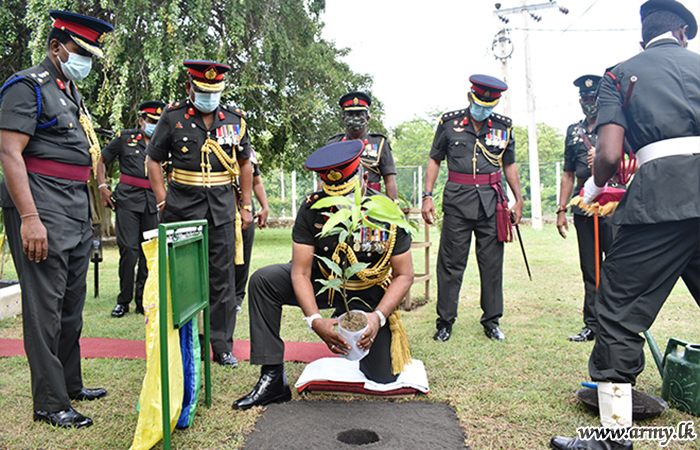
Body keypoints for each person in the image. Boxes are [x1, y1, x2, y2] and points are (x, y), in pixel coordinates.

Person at [551, 1, 700, 449]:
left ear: (643, 39)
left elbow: (611, 156)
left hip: (661, 199)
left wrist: (595, 189)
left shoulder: (620, 74)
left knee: (616, 313)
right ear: (683, 36)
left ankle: (613, 439)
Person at [232, 140, 414, 410]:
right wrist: (314, 320)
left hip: (366, 290)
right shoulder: (312, 208)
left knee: (383, 376)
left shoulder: (386, 211)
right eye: (332, 193)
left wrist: (378, 317)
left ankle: (362, 340)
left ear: (364, 178)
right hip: (324, 283)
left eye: (346, 192)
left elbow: (404, 274)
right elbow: (301, 271)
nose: (339, 201)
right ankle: (272, 378)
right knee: (263, 281)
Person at [0, 10, 113, 428]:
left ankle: (69, 383)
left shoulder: (68, 92)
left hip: (73, 206)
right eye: (80, 51)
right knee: (45, 306)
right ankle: (49, 402)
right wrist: (30, 217)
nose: (85, 60)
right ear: (56, 47)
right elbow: (10, 153)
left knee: (71, 305)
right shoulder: (27, 86)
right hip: (41, 206)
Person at [146, 60, 253, 367]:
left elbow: (245, 163)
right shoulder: (173, 115)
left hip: (221, 208)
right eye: (203, 90)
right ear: (189, 87)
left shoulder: (234, 118)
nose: (209, 96)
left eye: (215, 91)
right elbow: (154, 160)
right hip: (181, 206)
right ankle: (182, 341)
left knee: (222, 279)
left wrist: (246, 205)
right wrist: (162, 201)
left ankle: (221, 346)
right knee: (181, 278)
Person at [422, 75, 523, 343]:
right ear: (470, 97)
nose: (485, 108)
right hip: (457, 203)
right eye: (481, 102)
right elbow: (435, 160)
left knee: (491, 265)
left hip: (492, 203)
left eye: (490, 104)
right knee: (451, 264)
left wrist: (519, 199)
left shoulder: (504, 126)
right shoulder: (449, 122)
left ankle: (491, 321)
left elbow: (509, 165)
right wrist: (427, 195)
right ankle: (445, 322)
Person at [556, 75, 617, 343]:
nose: (589, 103)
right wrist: (561, 210)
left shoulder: (614, 126)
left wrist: (602, 157)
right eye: (585, 99)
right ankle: (591, 324)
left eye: (593, 99)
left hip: (613, 203)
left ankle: (615, 322)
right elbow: (568, 174)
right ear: (580, 101)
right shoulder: (573, 131)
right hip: (584, 204)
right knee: (590, 268)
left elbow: (629, 160)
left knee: (616, 265)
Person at [97, 101, 164, 318]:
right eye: (151, 121)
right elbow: (102, 160)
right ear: (141, 120)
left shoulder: (163, 141)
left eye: (158, 122)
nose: (154, 125)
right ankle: (123, 300)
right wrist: (102, 187)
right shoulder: (124, 138)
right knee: (128, 250)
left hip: (152, 203)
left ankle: (142, 300)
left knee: (149, 252)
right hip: (127, 200)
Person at [327, 91, 398, 200]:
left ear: (367, 119)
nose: (354, 118)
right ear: (343, 119)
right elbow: (323, 179)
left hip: (372, 202)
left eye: (359, 114)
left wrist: (394, 209)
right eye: (350, 115)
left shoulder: (380, 143)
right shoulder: (333, 144)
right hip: (340, 202)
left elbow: (390, 180)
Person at [234, 151, 270, 314]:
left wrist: (265, 207)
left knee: (244, 253)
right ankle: (223, 296)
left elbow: (257, 182)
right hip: (222, 205)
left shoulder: (248, 152)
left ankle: (237, 297)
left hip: (244, 208)